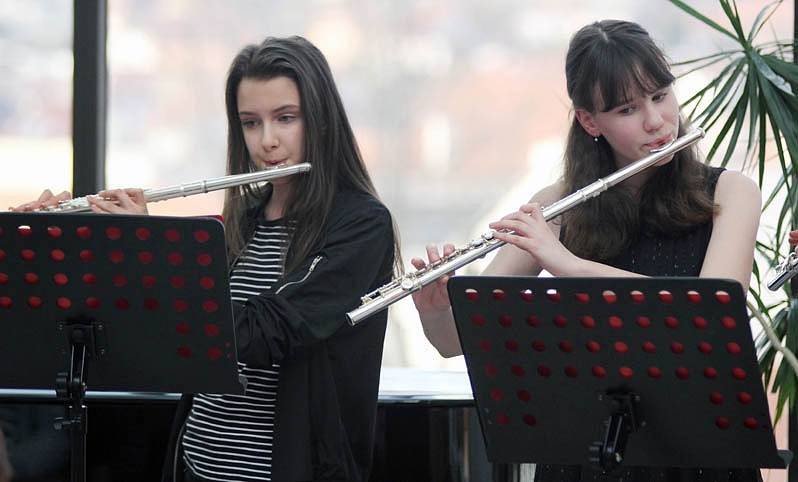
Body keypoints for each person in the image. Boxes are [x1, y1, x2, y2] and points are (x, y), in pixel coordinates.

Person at [16, 36, 400, 482]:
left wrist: (154, 250)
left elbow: (266, 334)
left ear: (322, 119)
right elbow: (174, 334)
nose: (267, 142)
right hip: (198, 463)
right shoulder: (241, 222)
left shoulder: (361, 226)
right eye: (250, 123)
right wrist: (57, 241)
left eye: (286, 118)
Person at [412, 20, 761, 482]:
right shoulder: (555, 205)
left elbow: (710, 316)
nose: (656, 121)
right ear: (589, 120)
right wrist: (437, 307)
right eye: (627, 109)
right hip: (587, 456)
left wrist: (569, 265)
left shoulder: (730, 192)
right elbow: (453, 342)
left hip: (695, 457)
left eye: (660, 96)